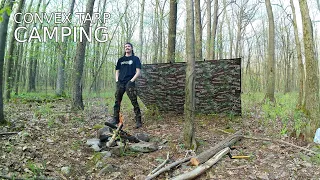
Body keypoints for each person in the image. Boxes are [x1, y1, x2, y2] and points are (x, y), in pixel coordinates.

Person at [109, 42, 142, 128]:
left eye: (128, 46)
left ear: (131, 48)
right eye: (125, 47)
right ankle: (115, 119)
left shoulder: (135, 59)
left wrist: (131, 81)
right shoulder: (120, 60)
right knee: (117, 101)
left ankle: (138, 120)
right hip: (120, 82)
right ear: (124, 49)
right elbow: (117, 71)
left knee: (134, 101)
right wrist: (117, 81)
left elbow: (138, 72)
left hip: (130, 82)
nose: (127, 48)